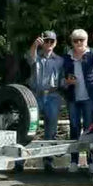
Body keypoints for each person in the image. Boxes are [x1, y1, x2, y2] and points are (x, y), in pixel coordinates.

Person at [61, 28, 93, 173]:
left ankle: (91, 162)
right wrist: (66, 82)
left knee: (90, 131)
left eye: (81, 40)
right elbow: (61, 80)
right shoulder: (67, 57)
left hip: (89, 98)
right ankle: (74, 161)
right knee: (74, 129)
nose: (78, 43)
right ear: (71, 42)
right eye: (75, 40)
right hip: (73, 98)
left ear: (86, 41)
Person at [20, 30, 65, 172]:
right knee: (28, 127)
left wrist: (68, 82)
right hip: (35, 95)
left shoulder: (60, 61)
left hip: (52, 96)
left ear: (55, 43)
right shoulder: (36, 57)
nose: (49, 44)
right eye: (46, 41)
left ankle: (48, 161)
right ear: (42, 43)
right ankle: (20, 161)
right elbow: (29, 57)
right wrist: (34, 45)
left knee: (50, 130)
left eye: (52, 41)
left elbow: (62, 80)